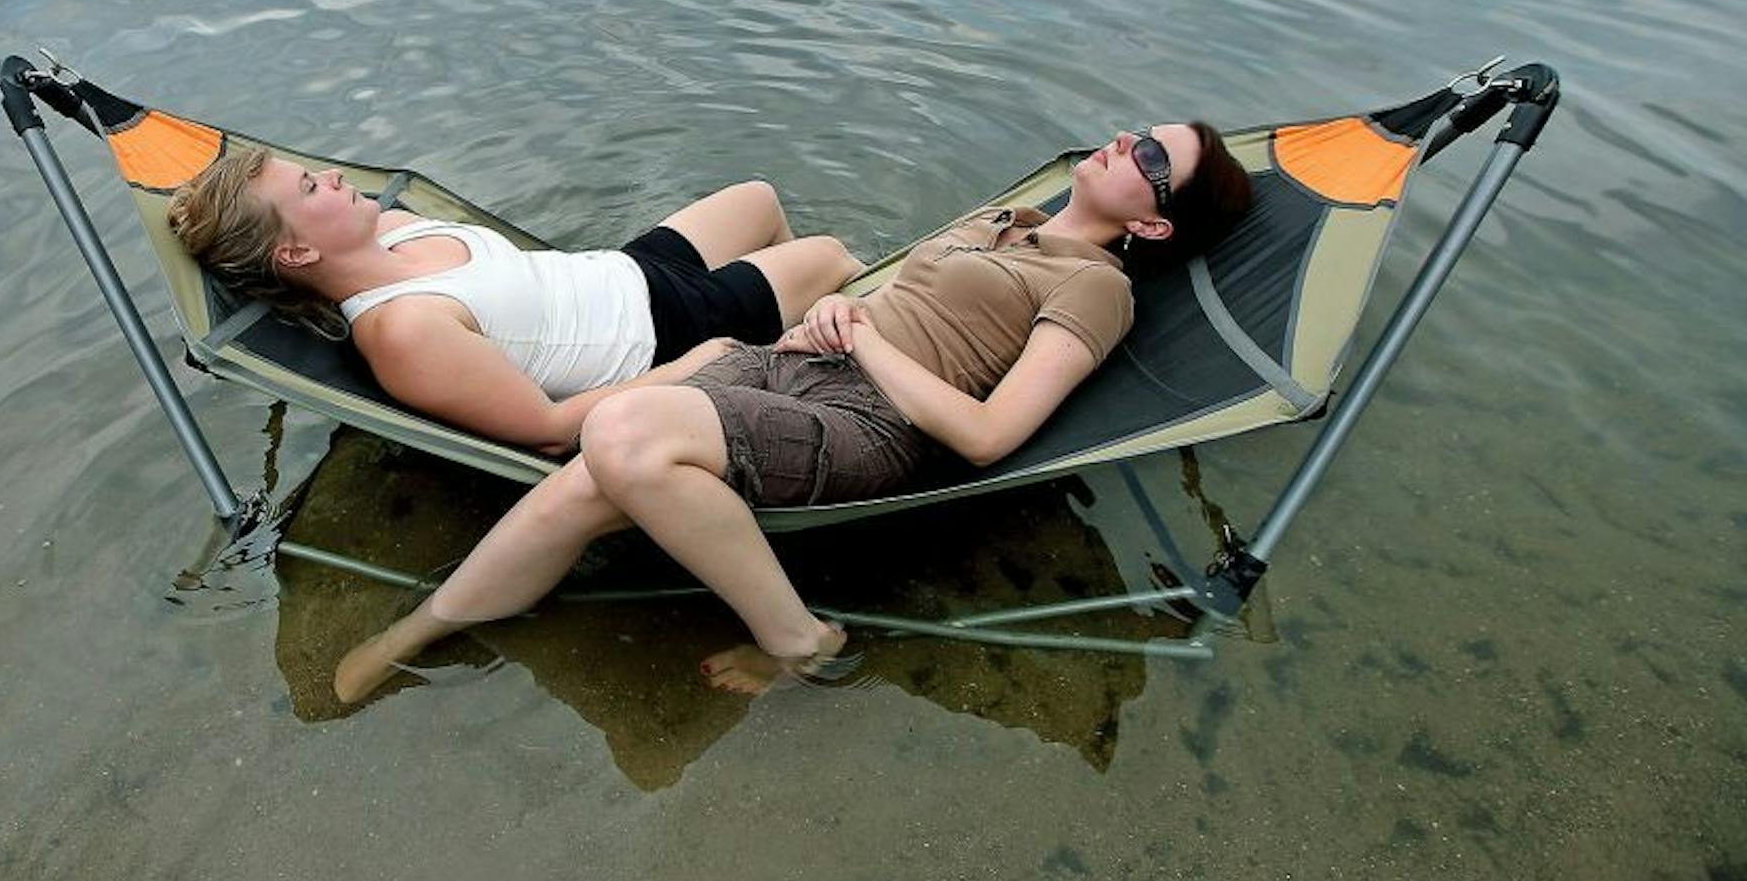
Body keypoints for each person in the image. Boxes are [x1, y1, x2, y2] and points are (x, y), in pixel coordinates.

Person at [332, 122, 1256, 704]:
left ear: (1154, 225)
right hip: (794, 360)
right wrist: (831, 312)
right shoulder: (1006, 224)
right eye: (1139, 133)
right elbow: (890, 303)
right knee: (589, 480)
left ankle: (801, 638)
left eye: (1152, 159)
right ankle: (421, 631)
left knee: (619, 433)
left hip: (875, 422)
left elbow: (988, 435)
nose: (1128, 142)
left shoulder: (1096, 287)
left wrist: (863, 337)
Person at [168, 150, 862, 451]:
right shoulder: (403, 331)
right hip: (667, 333)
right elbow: (549, 428)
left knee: (759, 198)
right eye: (310, 188)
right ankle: (859, 365)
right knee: (832, 256)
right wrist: (697, 363)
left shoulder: (393, 226)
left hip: (628, 270)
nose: (331, 176)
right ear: (295, 254)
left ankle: (804, 344)